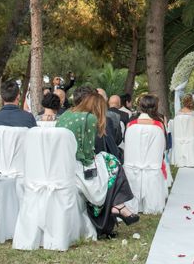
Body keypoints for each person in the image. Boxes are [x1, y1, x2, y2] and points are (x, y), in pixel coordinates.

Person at [56, 91, 138, 235]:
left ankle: (118, 207)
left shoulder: (65, 115)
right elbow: (87, 155)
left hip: (61, 165)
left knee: (109, 164)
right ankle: (116, 208)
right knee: (113, 164)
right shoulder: (89, 118)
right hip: (79, 168)